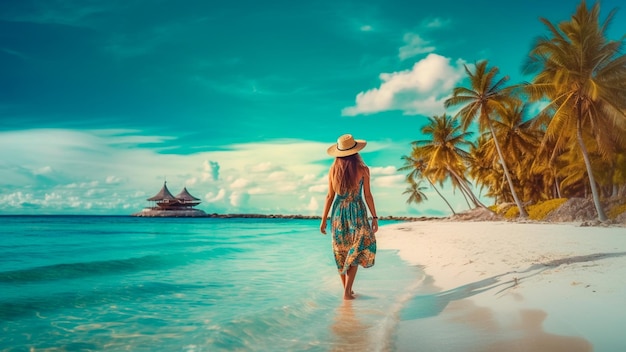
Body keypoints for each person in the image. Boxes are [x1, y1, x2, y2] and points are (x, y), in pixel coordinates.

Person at [320, 134, 378, 300]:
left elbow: (329, 196)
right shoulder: (363, 170)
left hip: (338, 214)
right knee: (355, 250)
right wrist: (374, 217)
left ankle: (346, 290)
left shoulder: (333, 170)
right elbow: (368, 196)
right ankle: (347, 291)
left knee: (341, 252)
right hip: (357, 212)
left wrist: (324, 220)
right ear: (355, 151)